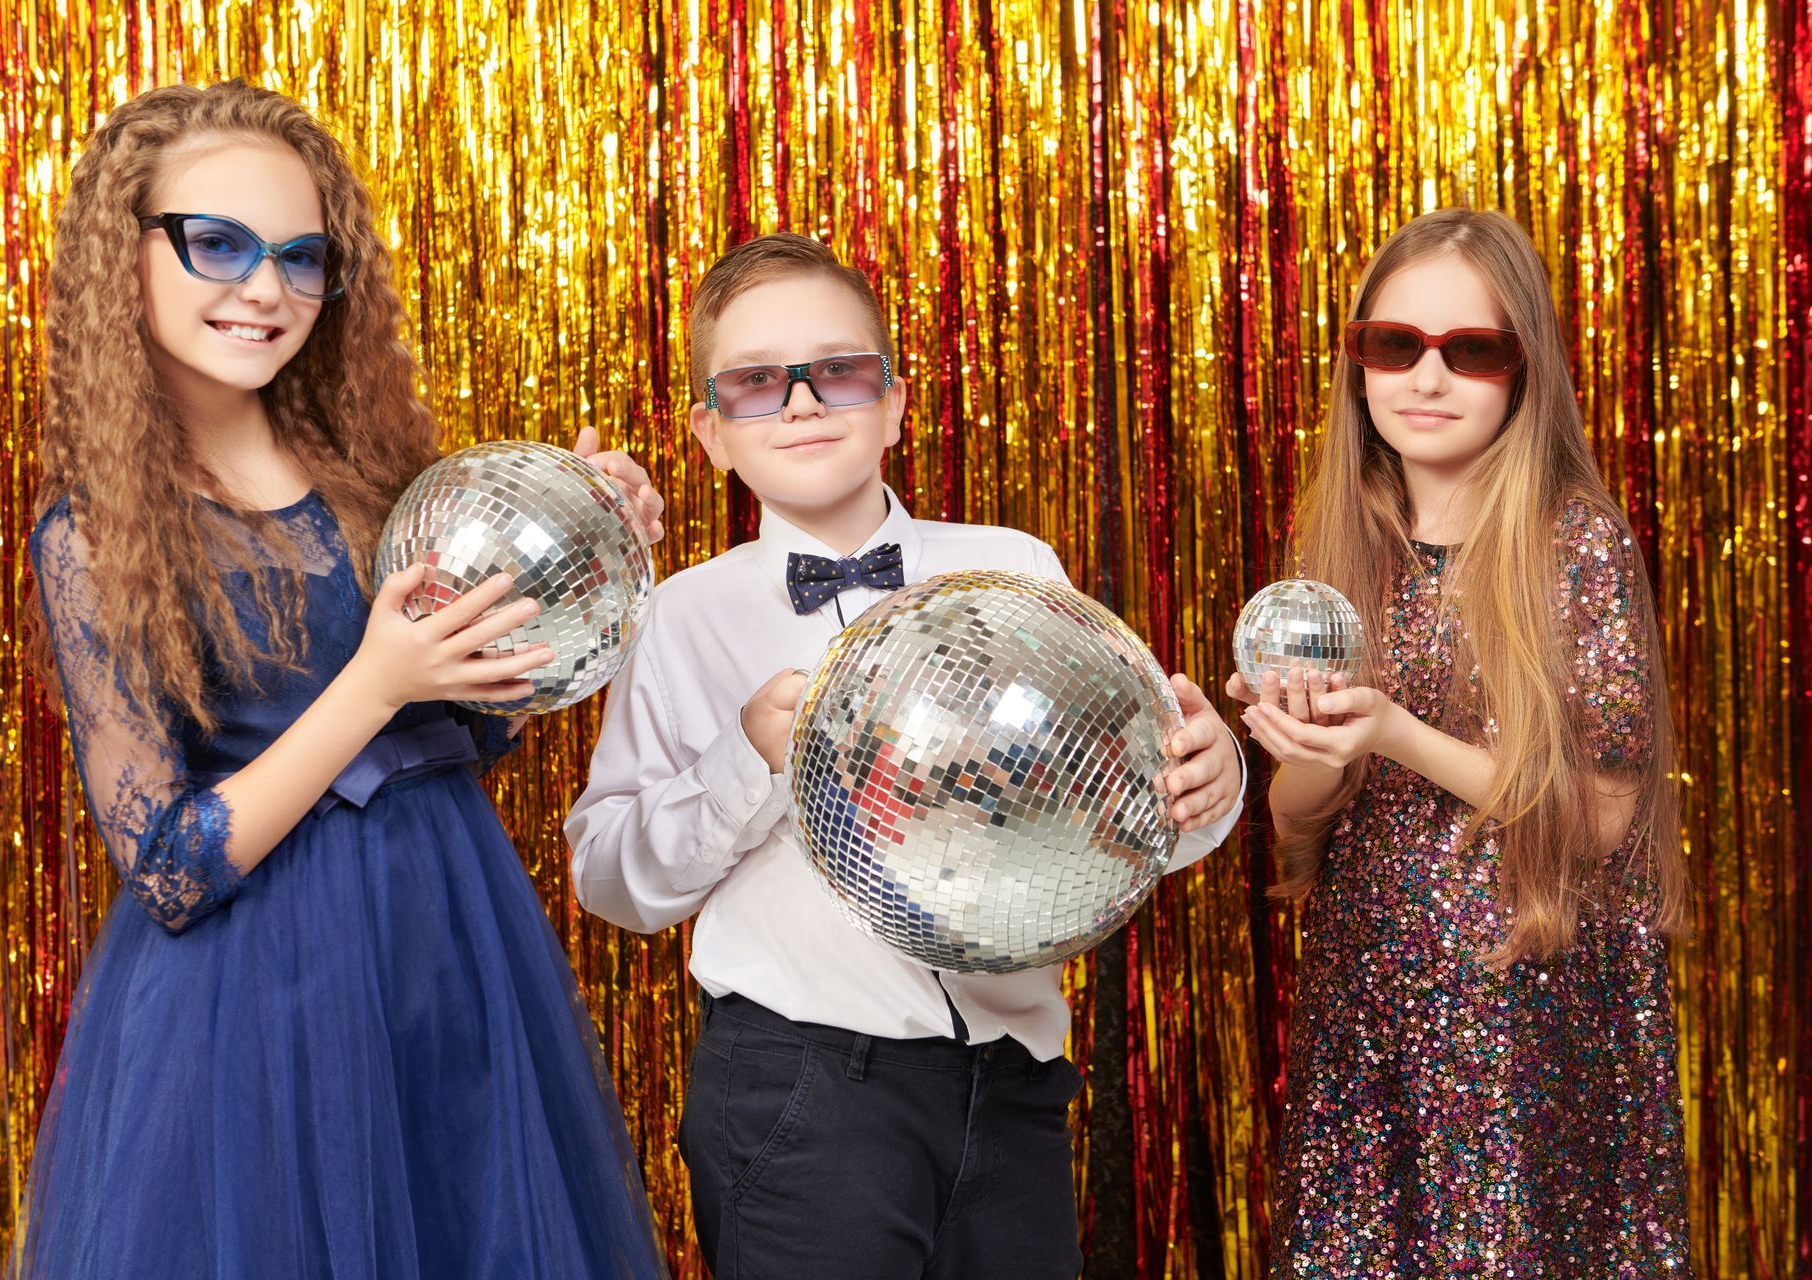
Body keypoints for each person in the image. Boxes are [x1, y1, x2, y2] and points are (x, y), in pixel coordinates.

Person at [11, 80, 668, 1279]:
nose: (264, 288)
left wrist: (587, 548)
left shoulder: (371, 476)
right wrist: (373, 680)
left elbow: (471, 730)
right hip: (260, 993)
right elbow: (168, 863)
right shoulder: (93, 535)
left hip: (449, 934)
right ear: (128, 252)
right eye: (218, 243)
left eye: (300, 257)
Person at [564, 231, 1245, 1279]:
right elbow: (611, 880)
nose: (799, 403)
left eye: (835, 370)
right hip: (803, 1081)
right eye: (756, 382)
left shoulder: (1012, 568)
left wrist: (1211, 785)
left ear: (894, 403)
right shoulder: (682, 614)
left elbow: (1130, 805)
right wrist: (749, 761)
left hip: (1012, 1081)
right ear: (709, 432)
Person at [1229, 208, 1689, 1275]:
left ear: (1521, 369)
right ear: (1358, 364)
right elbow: (1296, 825)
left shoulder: (1574, 538)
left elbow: (1599, 818)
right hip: (1371, 1011)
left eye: (1468, 351)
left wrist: (1394, 728)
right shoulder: (1343, 542)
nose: (1426, 379)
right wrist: (1320, 745)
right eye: (1395, 346)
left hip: (1528, 1015)